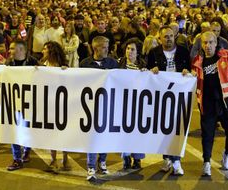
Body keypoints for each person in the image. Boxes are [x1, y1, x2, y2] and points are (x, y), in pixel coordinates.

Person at [192, 31, 228, 176]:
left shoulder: (227, 56)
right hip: (207, 103)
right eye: (205, 43)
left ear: (216, 43)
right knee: (207, 134)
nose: (208, 45)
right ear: (201, 44)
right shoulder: (197, 61)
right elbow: (192, 81)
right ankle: (206, 162)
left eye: (211, 42)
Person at [147, 26, 191, 175]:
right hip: (161, 97)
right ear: (160, 38)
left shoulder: (184, 52)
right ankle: (166, 159)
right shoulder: (153, 53)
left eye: (171, 36)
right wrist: (151, 71)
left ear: (175, 36)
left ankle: (177, 161)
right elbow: (146, 73)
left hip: (180, 96)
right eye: (165, 36)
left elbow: (191, 72)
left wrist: (187, 72)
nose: (169, 39)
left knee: (178, 128)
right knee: (164, 129)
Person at [80, 36, 119, 181]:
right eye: (104, 47)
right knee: (92, 137)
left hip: (108, 105)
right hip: (90, 107)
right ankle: (91, 166)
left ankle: (102, 161)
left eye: (107, 46)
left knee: (105, 135)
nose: (107, 49)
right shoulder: (84, 64)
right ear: (95, 48)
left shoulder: (113, 63)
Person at [5, 39, 39, 171]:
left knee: (27, 130)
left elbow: (48, 75)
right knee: (14, 131)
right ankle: (17, 159)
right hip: (14, 103)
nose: (10, 51)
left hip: (30, 104)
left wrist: (62, 69)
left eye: (12, 48)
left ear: (21, 50)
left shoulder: (33, 62)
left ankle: (27, 151)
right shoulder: (8, 63)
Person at [39, 41, 71, 171]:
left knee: (64, 131)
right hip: (48, 103)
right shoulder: (42, 65)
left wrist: (66, 73)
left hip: (62, 103)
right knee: (50, 132)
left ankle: (65, 157)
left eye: (45, 49)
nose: (43, 51)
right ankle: (53, 159)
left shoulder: (63, 66)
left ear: (51, 51)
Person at [118, 38, 147, 170]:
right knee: (124, 132)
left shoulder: (143, 66)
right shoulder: (119, 63)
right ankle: (125, 158)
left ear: (138, 52)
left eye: (133, 49)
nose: (129, 51)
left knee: (137, 133)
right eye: (128, 48)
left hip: (138, 104)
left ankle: (137, 159)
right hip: (123, 103)